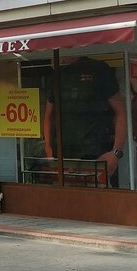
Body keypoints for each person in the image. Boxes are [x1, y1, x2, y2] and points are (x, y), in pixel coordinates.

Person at [43, 56, 127, 187]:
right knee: (63, 197)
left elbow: (120, 111)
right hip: (63, 156)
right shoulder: (59, 74)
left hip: (95, 155)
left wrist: (116, 152)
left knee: (96, 197)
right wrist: (48, 148)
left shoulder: (97, 69)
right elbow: (49, 115)